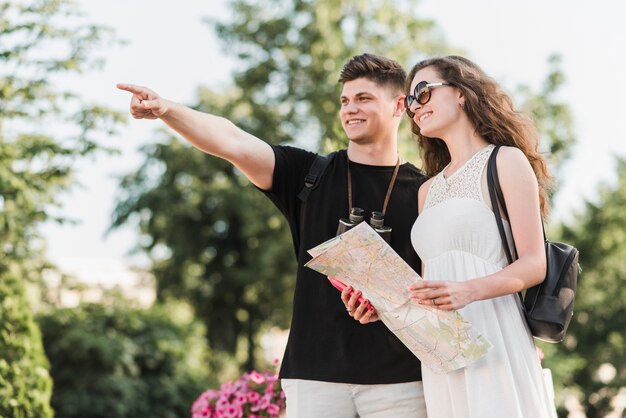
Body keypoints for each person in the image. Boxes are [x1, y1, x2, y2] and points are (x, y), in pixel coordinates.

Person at [117, 53, 428, 418]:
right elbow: (232, 141)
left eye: (363, 99)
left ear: (398, 106)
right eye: (345, 100)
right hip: (314, 378)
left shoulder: (427, 191)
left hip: (402, 381)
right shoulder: (309, 174)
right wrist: (167, 109)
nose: (350, 110)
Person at [405, 55, 557, 417]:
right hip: (444, 350)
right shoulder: (427, 191)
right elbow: (429, 285)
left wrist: (467, 290)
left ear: (460, 92)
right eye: (410, 101)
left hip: (495, 336)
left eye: (422, 92)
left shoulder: (505, 161)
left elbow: (535, 264)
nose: (415, 107)